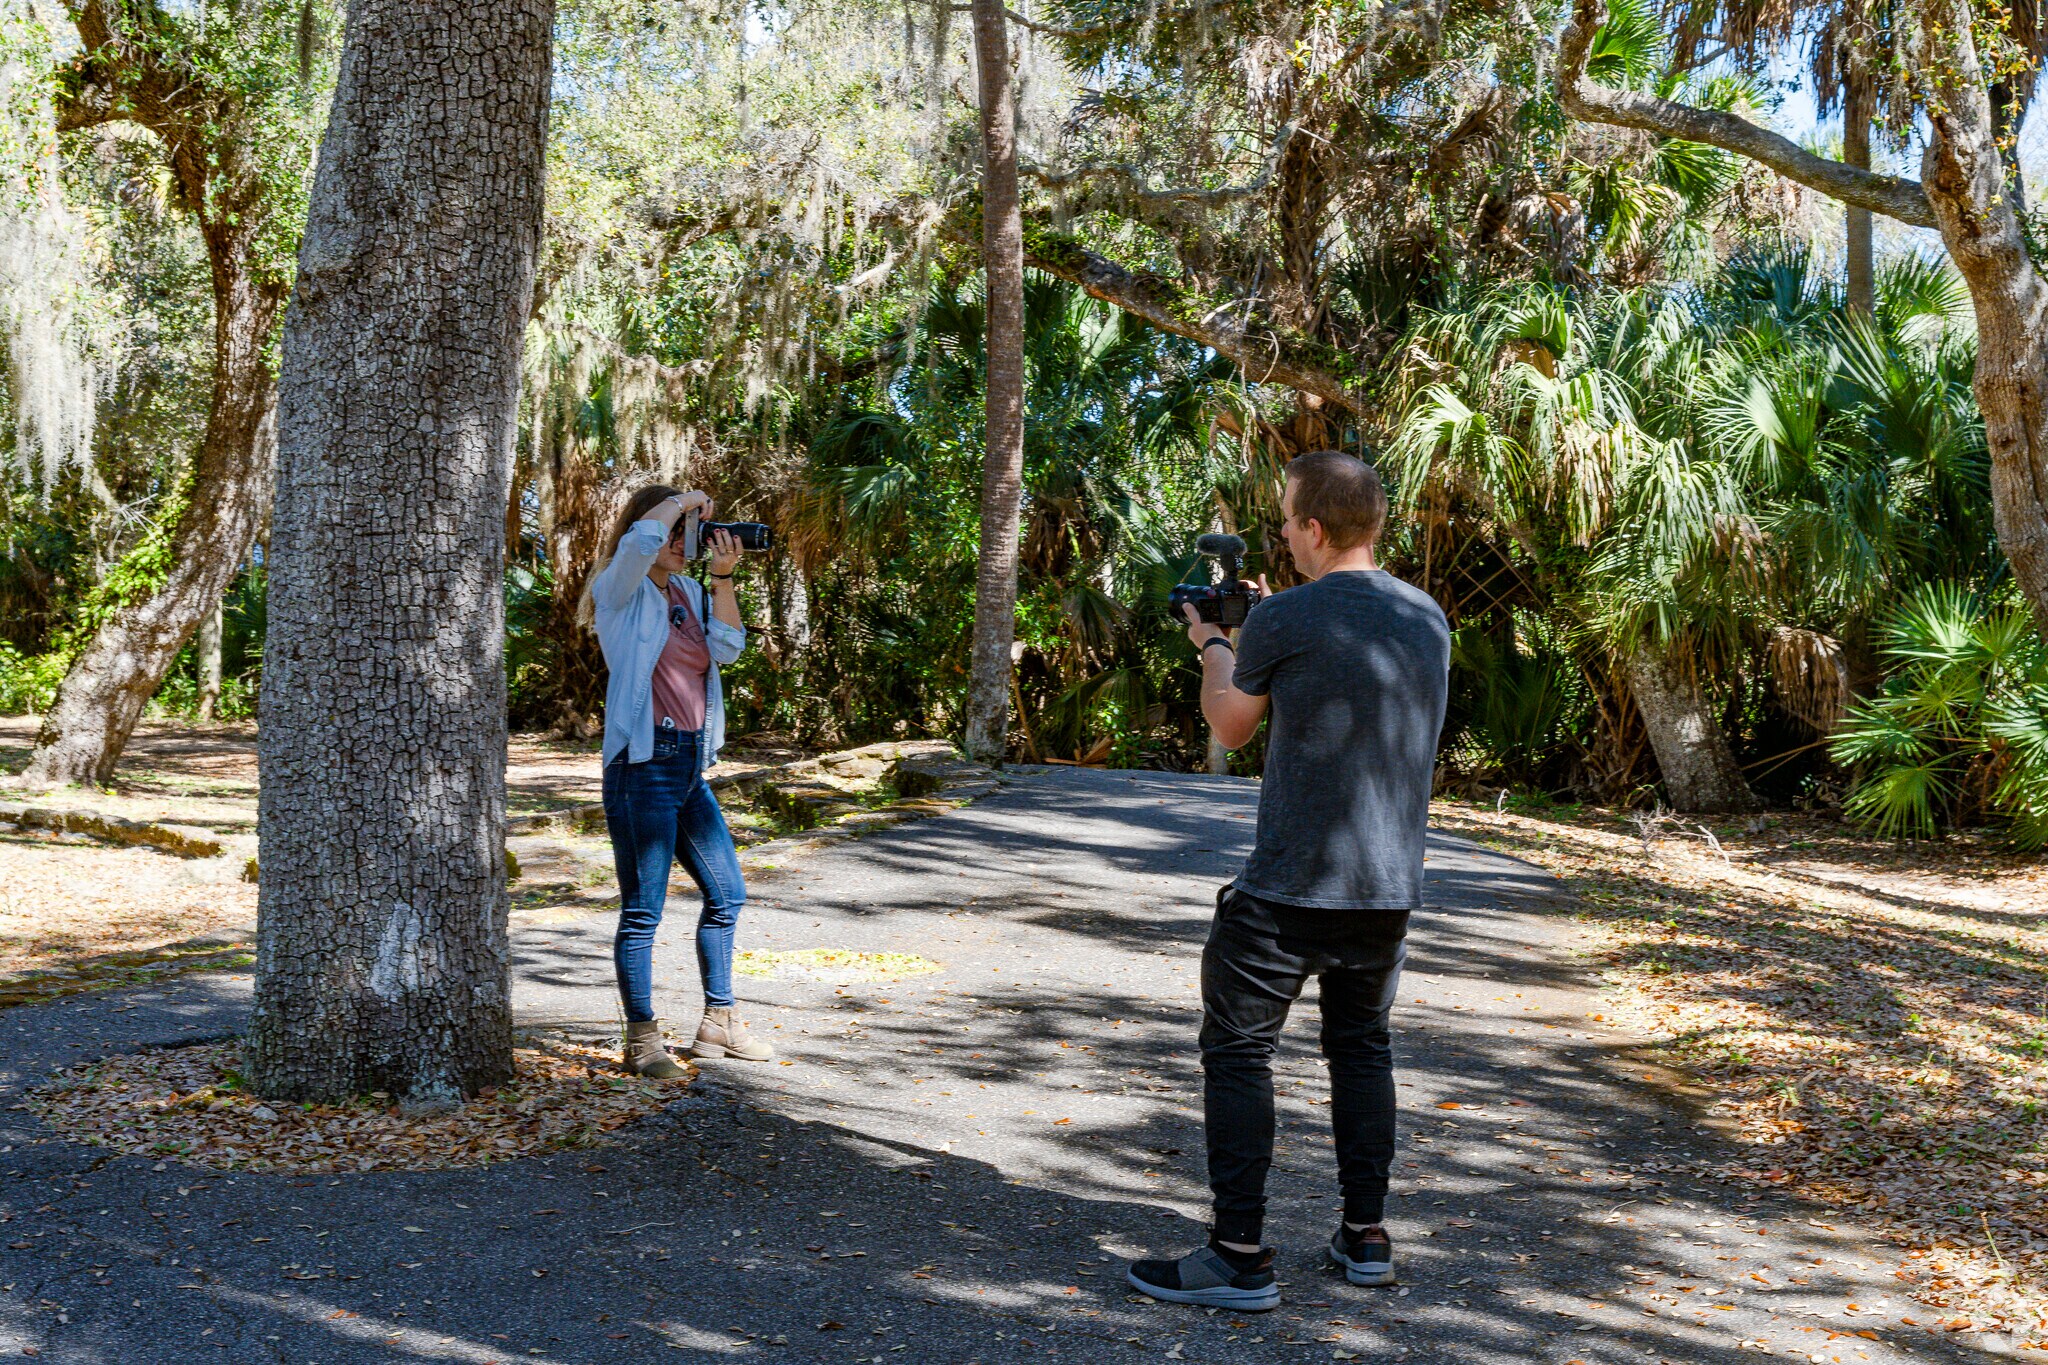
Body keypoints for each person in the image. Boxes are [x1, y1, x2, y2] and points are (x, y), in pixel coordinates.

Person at [1126, 451, 1450, 1311]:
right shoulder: (1428, 616)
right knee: (1361, 1050)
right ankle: (1366, 1236)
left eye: (1284, 522)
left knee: (1238, 1053)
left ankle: (1238, 1254)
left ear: (1312, 528)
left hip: (1287, 891)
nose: (1280, 535)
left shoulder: (1285, 618)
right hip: (1386, 889)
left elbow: (1230, 725)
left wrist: (1215, 643)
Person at [586, 485, 774, 1077]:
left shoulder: (692, 592)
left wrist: (721, 578)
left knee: (727, 894)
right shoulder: (619, 588)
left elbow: (730, 647)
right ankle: (642, 1039)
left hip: (691, 764)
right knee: (644, 910)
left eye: (688, 533)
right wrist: (688, 497)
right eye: (675, 532)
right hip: (641, 765)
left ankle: (718, 1023)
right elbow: (641, 539)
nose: (679, 543)